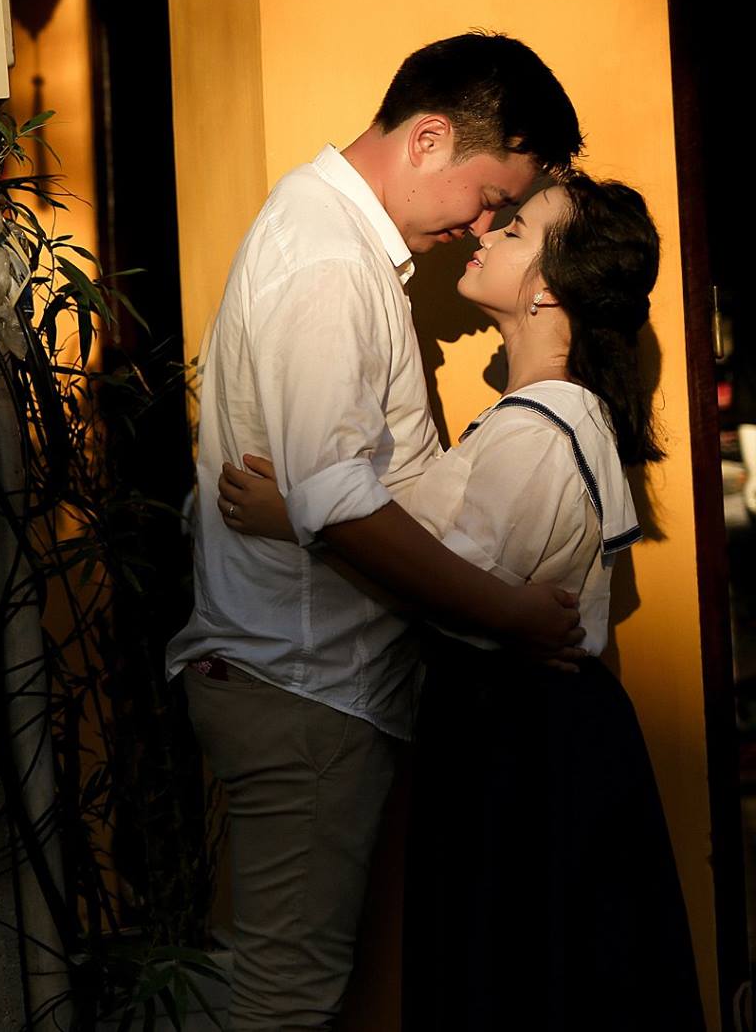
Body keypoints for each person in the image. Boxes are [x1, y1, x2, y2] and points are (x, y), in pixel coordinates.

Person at [163, 32, 588, 1029]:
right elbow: (340, 507)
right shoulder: (327, 263)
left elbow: (334, 495)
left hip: (307, 685)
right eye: (490, 195)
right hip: (303, 686)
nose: (483, 225)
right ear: (428, 138)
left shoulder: (334, 245)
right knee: (281, 998)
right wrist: (514, 616)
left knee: (299, 988)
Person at [218, 173, 703, 1029]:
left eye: (515, 232)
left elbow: (439, 585)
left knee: (515, 978)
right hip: (523, 739)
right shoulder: (543, 419)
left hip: (520, 747)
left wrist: (297, 517)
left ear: (550, 287)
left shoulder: (543, 428)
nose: (486, 235)